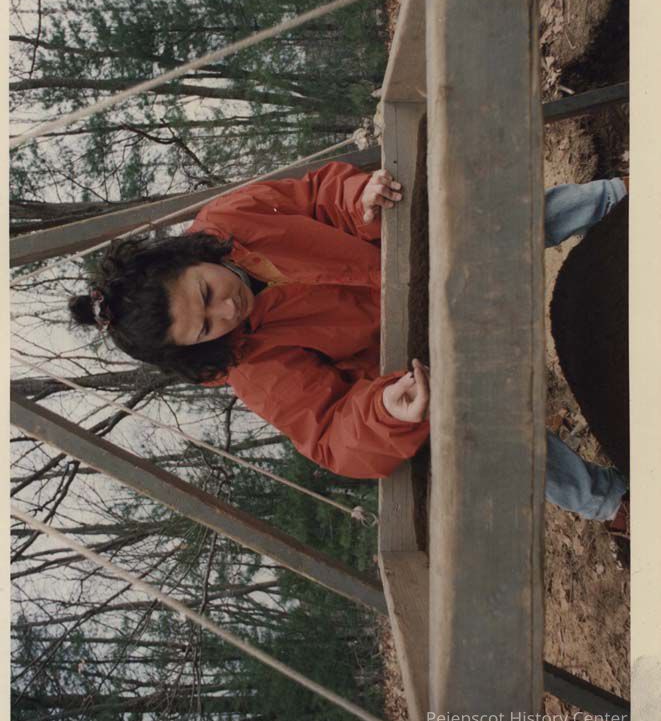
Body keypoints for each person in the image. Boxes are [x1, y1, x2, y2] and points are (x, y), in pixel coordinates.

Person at [69, 161, 629, 527]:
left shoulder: (231, 218)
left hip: (413, 258)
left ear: (186, 257)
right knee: (480, 422)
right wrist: (386, 410)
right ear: (195, 348)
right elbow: (330, 431)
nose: (226, 311)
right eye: (206, 328)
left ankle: (616, 199)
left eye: (207, 293)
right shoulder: (250, 367)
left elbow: (317, 197)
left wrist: (359, 197)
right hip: (418, 352)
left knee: (484, 224)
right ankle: (608, 501)